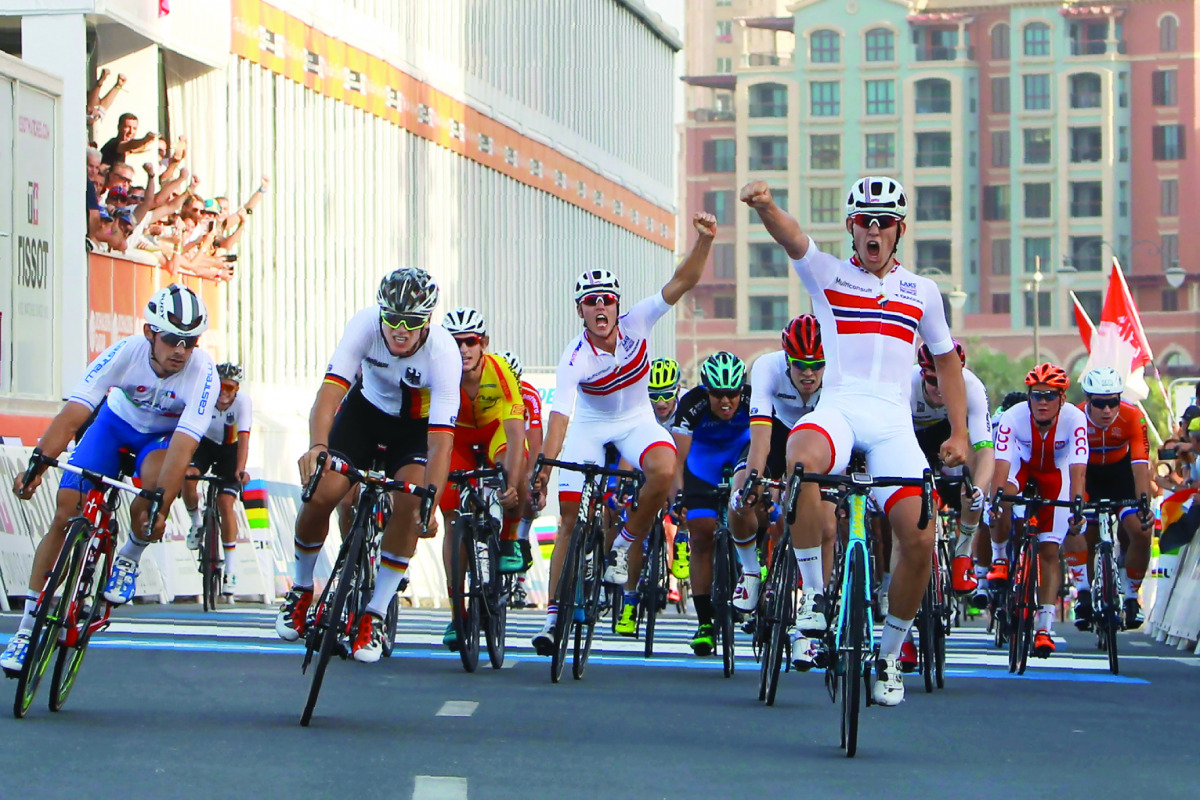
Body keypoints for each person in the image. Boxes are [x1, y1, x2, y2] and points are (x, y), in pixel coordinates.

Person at [741, 176, 970, 706]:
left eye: (883, 222)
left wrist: (959, 431)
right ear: (850, 227)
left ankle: (889, 655)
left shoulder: (923, 291)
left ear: (899, 230)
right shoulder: (829, 275)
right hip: (839, 410)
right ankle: (816, 599)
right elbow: (792, 237)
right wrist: (767, 206)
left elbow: (946, 364)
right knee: (801, 459)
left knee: (919, 533)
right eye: (864, 221)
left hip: (893, 425)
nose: (873, 230)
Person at [529, 212, 717, 656]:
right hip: (590, 429)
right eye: (591, 302)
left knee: (664, 466)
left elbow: (683, 281)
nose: (600, 308)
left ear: (617, 305)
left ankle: (625, 543)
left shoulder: (638, 322)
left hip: (636, 420)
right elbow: (560, 418)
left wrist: (704, 241)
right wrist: (545, 468)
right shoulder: (574, 357)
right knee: (570, 523)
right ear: (580, 311)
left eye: (606, 300)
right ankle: (554, 619)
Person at [3, 286, 216, 672]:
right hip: (115, 425)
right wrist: (37, 466)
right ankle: (25, 630)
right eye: (171, 339)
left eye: (190, 342)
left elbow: (182, 452)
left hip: (162, 440)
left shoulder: (203, 374)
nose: (180, 351)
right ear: (150, 333)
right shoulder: (125, 352)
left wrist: (158, 507)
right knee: (66, 512)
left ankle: (129, 556)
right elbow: (73, 414)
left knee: (151, 496)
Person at [275, 268, 457, 664]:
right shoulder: (364, 324)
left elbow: (441, 440)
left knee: (410, 506)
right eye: (392, 319)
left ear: (427, 320)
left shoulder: (444, 354)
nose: (400, 330)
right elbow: (328, 395)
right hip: (364, 415)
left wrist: (432, 500)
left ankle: (374, 614)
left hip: (413, 431)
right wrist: (318, 447)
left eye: (411, 322)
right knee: (321, 491)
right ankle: (302, 588)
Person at [438, 307, 527, 650]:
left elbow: (517, 434)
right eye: (455, 342)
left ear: (484, 343)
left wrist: (513, 484)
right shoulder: (439, 375)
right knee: (450, 519)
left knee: (510, 465)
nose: (463, 349)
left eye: (470, 342)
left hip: (493, 433)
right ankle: (456, 613)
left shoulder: (500, 370)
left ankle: (506, 539)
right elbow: (429, 435)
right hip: (456, 439)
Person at [655, 352, 752, 653]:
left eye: (732, 395)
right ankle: (705, 623)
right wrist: (678, 498)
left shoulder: (753, 400)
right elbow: (677, 460)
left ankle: (754, 570)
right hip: (703, 466)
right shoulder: (690, 405)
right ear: (706, 391)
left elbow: (766, 445)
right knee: (700, 535)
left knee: (755, 507)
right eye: (718, 395)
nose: (726, 402)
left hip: (742, 456)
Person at [989, 363, 1088, 658]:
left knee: (1048, 550)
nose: (1042, 402)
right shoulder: (1012, 416)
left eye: (1049, 396)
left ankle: (1044, 628)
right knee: (1001, 496)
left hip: (1056, 474)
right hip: (1022, 467)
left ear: (1062, 399)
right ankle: (1000, 558)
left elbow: (1078, 469)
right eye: (1037, 395)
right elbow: (1002, 464)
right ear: (1029, 396)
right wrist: (996, 501)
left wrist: (1077, 506)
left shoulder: (1075, 419)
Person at [911, 341, 995, 597]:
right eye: (933, 381)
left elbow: (986, 452)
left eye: (948, 379)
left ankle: (962, 555)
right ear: (922, 375)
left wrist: (978, 491)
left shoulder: (972, 388)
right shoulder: (905, 386)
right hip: (912, 437)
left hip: (954, 435)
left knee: (974, 474)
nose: (941, 388)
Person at [1076, 367, 1153, 629]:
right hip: (1088, 476)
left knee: (1141, 531)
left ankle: (1131, 598)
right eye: (1099, 403)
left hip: (1122, 477)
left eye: (1113, 402)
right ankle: (1084, 593)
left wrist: (1144, 503)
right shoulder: (1074, 417)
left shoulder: (1133, 416)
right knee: (1086, 533)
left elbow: (1141, 464)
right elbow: (1072, 466)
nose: (1107, 410)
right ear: (1088, 400)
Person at [182, 363, 252, 596]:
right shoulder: (204, 395)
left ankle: (230, 569)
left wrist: (240, 469)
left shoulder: (243, 403)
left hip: (230, 450)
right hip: (204, 445)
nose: (223, 392)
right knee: (188, 478)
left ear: (236, 389)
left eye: (229, 388)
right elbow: (188, 430)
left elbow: (243, 438)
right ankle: (196, 522)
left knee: (225, 503)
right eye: (220, 386)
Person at [496, 349, 543, 607]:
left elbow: (534, 440)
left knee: (527, 495)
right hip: (496, 443)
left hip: (519, 447)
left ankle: (520, 578)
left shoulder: (528, 394)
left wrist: (534, 476)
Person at [647, 357, 690, 579]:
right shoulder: (642, 408)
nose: (661, 403)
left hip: (678, 459)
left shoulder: (687, 405)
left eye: (667, 394)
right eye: (654, 396)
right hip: (651, 460)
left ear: (678, 390)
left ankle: (683, 535)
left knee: (681, 498)